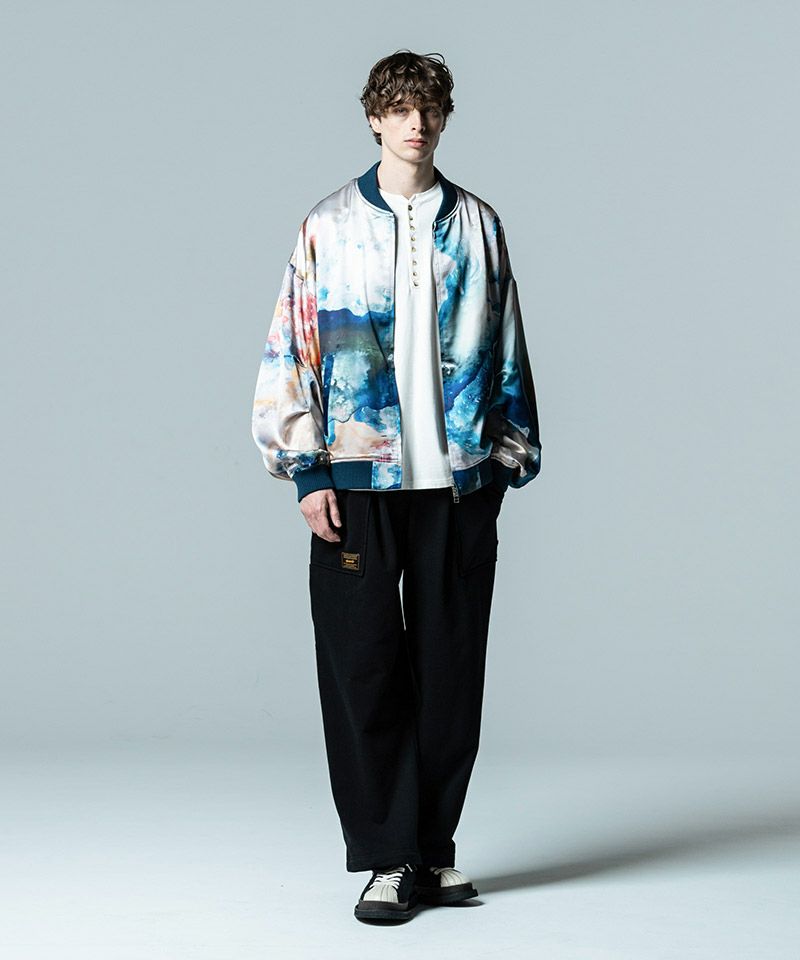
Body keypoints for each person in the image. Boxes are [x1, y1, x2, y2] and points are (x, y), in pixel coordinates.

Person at [251, 49, 542, 923]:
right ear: (375, 117)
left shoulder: (480, 224)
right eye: (401, 108)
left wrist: (505, 459)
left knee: (451, 673)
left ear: (444, 118)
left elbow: (508, 343)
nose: (417, 122)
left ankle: (433, 852)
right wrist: (307, 468)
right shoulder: (328, 225)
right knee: (366, 670)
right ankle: (386, 858)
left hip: (459, 485)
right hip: (358, 485)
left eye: (430, 108)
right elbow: (293, 345)